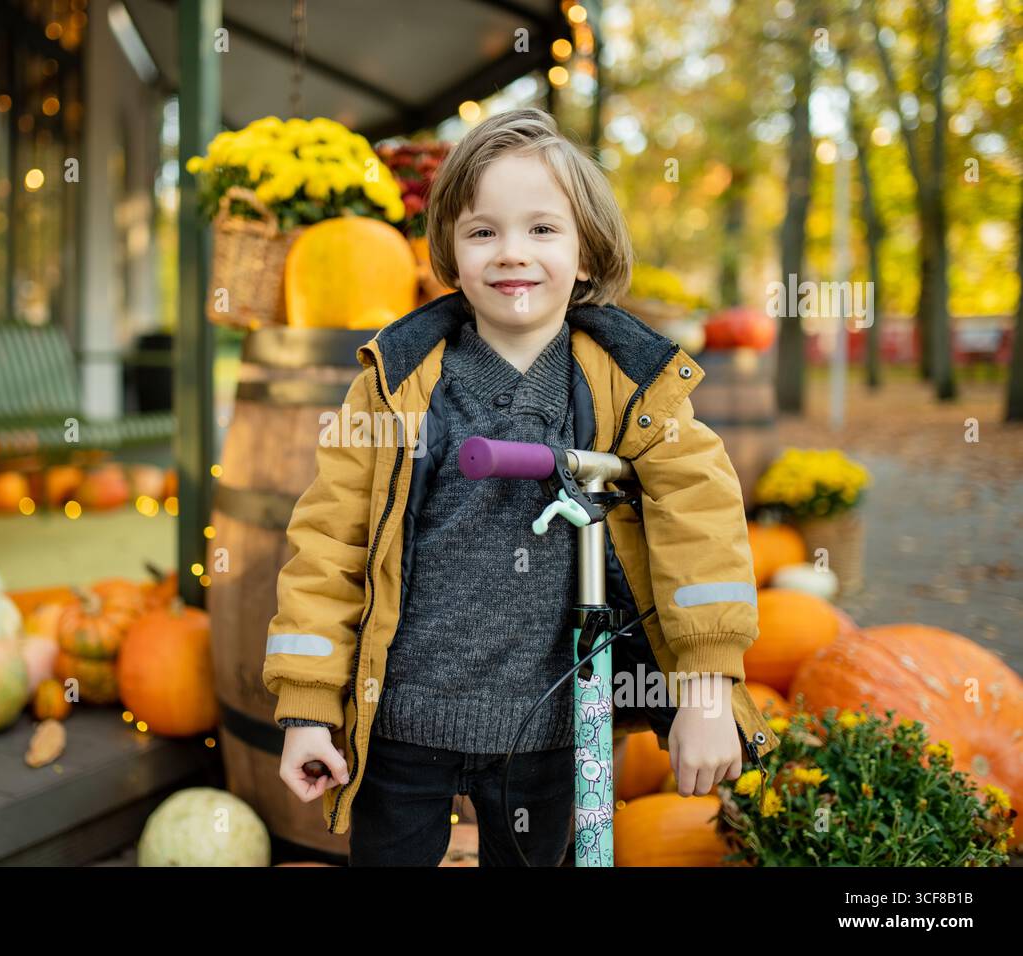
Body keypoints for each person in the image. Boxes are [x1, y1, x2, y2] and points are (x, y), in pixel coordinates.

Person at [263, 107, 779, 867]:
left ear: (586, 250)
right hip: (403, 725)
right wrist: (308, 709)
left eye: (542, 230)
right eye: (483, 232)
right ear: (450, 248)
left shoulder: (631, 388)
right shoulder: (397, 387)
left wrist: (703, 689)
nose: (512, 254)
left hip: (551, 730)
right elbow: (328, 545)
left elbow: (700, 523)